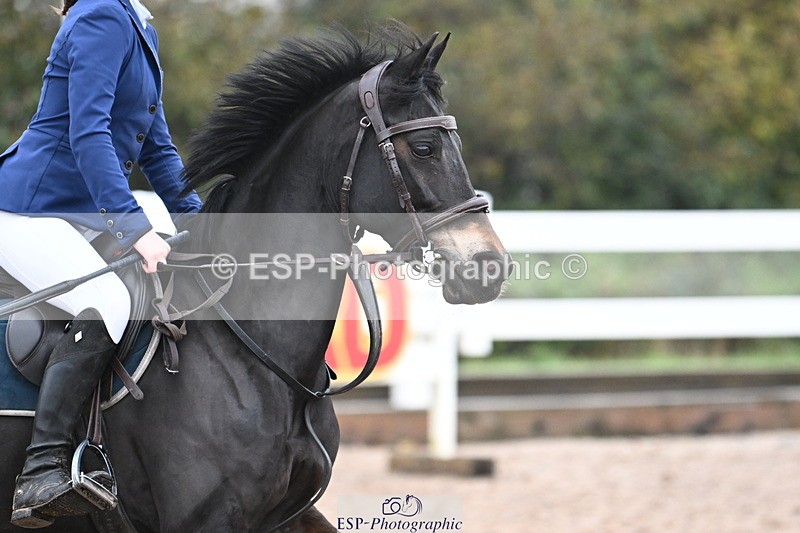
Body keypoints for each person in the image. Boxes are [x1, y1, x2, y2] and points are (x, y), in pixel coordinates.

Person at [0, 0, 202, 527]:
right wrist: (135, 230)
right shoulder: (101, 14)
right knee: (106, 299)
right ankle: (41, 469)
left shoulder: (140, 26)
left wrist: (204, 222)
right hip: (30, 208)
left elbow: (157, 150)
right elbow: (88, 133)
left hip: (79, 210)